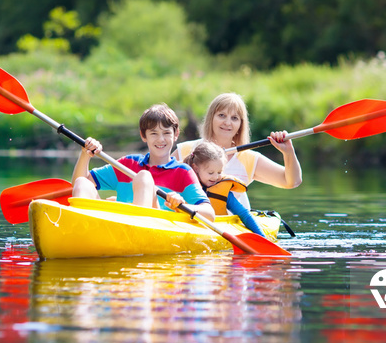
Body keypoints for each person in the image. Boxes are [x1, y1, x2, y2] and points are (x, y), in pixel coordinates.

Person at [71, 103, 216, 220]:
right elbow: (79, 184)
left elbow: (209, 213)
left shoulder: (183, 172)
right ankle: (82, 230)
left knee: (144, 177)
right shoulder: (128, 163)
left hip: (152, 230)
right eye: (154, 133)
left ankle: (135, 228)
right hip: (116, 228)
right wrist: (85, 154)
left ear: (176, 134)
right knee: (82, 182)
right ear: (143, 135)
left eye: (166, 133)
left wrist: (183, 204)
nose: (160, 139)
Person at [173, 92, 302, 209]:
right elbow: (157, 175)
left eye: (234, 118)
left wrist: (288, 152)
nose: (227, 123)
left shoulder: (248, 159)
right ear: (211, 118)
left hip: (233, 224)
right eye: (222, 115)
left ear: (241, 124)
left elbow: (292, 181)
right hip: (191, 218)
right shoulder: (186, 150)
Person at [184, 141, 266, 237]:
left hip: (215, 232)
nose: (215, 177)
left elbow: (243, 214)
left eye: (219, 172)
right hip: (187, 227)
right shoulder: (185, 185)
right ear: (196, 168)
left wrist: (262, 237)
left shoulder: (223, 191)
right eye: (210, 173)